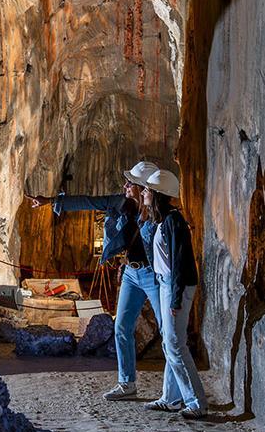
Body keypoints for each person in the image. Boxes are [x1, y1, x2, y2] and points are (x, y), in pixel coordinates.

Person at [26, 161, 161, 400]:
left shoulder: (157, 212)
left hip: (152, 275)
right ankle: (126, 383)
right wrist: (50, 201)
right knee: (121, 327)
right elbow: (89, 201)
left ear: (143, 188)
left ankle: (174, 391)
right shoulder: (120, 204)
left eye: (130, 183)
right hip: (131, 273)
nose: (125, 185)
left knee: (167, 332)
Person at [140, 168, 208, 419]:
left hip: (175, 285)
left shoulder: (174, 222)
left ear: (158, 194)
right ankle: (171, 398)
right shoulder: (162, 220)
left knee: (176, 344)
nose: (144, 192)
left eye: (148, 189)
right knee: (170, 344)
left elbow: (180, 263)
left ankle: (196, 402)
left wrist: (176, 298)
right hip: (165, 283)